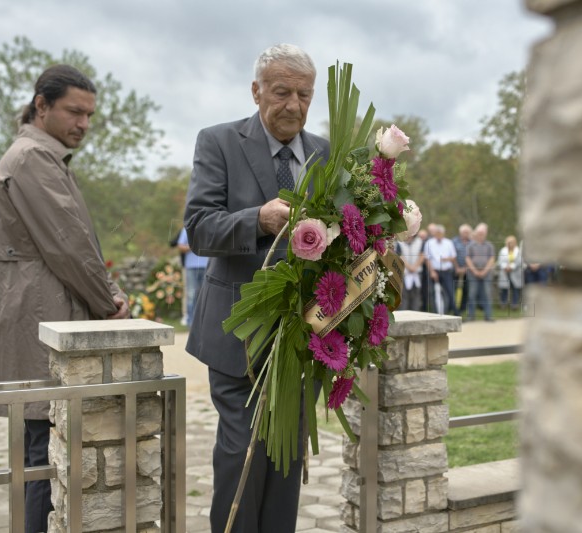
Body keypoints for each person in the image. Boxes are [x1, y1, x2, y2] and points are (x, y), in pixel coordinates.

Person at [183, 43, 330, 533]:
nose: (293, 104)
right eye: (281, 91)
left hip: (303, 334)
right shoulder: (218, 141)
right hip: (238, 332)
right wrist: (258, 220)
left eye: (304, 94)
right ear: (256, 91)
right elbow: (200, 227)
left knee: (286, 452)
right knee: (242, 449)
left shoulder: (325, 153)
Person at [0, 64, 129, 533]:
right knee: (42, 456)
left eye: (89, 114)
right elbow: (67, 245)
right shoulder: (32, 159)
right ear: (41, 105)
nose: (83, 123)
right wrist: (110, 302)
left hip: (39, 311)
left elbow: (73, 240)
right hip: (38, 316)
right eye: (74, 111)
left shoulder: (43, 155)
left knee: (44, 451)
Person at [176, 227, 208, 326]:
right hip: (191, 267)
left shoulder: (209, 227)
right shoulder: (187, 229)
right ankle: (190, 321)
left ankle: (204, 321)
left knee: (205, 294)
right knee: (191, 294)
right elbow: (180, 246)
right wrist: (194, 246)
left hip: (207, 266)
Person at [424, 224, 459, 315]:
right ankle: (435, 313)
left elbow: (454, 257)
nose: (439, 235)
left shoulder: (449, 242)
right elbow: (427, 259)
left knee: (450, 292)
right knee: (433, 293)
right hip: (435, 271)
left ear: (443, 233)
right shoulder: (429, 243)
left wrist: (446, 259)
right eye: (437, 233)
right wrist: (432, 272)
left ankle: (455, 312)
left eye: (440, 233)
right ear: (434, 234)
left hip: (446, 271)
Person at [465, 223, 496, 321]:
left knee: (487, 294)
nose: (481, 235)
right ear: (476, 234)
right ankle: (471, 316)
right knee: (472, 294)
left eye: (482, 233)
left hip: (486, 273)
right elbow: (468, 259)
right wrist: (475, 271)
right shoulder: (470, 246)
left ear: (485, 234)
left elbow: (492, 259)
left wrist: (484, 271)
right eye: (479, 233)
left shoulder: (489, 245)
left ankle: (488, 316)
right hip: (472, 273)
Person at [396, 232, 424, 311]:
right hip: (405, 273)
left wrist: (415, 267)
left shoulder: (420, 242)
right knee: (404, 295)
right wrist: (409, 267)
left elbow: (422, 255)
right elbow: (400, 256)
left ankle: (415, 312)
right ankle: (404, 313)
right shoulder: (399, 243)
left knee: (416, 295)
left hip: (417, 272)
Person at [497, 235, 524, 310]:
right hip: (505, 273)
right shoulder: (503, 250)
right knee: (504, 289)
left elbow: (519, 261)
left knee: (515, 289)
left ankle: (514, 305)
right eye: (508, 242)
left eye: (511, 242)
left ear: (515, 243)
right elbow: (500, 261)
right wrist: (505, 267)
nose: (510, 244)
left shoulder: (518, 251)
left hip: (515, 273)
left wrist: (511, 267)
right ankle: (503, 304)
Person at [452, 223, 472, 315]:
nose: (465, 234)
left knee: (466, 290)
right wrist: (457, 267)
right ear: (460, 232)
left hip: (468, 270)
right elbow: (452, 255)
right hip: (456, 270)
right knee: (455, 289)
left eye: (467, 232)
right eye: (464, 232)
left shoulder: (473, 242)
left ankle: (463, 308)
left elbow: (473, 257)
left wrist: (466, 268)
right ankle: (454, 308)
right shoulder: (454, 241)